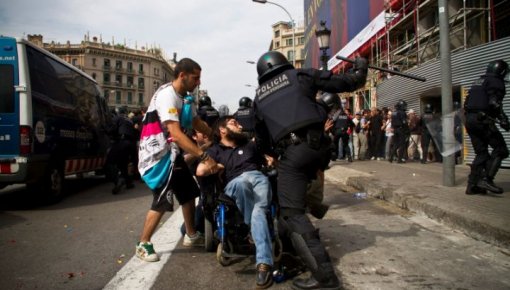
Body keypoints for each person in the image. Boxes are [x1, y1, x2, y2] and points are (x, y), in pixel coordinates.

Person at [253, 50, 367, 290]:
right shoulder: (299, 75)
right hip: (321, 147)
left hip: (293, 154)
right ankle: (298, 249)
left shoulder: (259, 98)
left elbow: (262, 141)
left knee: (291, 213)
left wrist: (277, 156)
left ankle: (325, 277)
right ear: (283, 64)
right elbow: (347, 82)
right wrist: (360, 67)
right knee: (295, 203)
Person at [136, 58, 219, 262]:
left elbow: (195, 122)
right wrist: (205, 156)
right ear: (182, 76)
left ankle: (191, 235)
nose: (198, 82)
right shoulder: (167, 96)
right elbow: (176, 134)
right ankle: (143, 243)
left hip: (171, 153)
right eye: (195, 77)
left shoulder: (184, 97)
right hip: (158, 155)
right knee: (162, 199)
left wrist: (214, 134)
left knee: (189, 192)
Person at [196, 115, 274, 289]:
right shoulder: (215, 151)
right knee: (243, 184)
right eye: (234, 123)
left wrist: (269, 160)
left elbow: (269, 158)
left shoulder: (250, 145)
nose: (239, 125)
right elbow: (200, 171)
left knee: (259, 210)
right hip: (235, 183)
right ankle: (259, 244)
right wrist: (217, 166)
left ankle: (264, 265)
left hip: (259, 179)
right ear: (222, 130)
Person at [464, 59, 509, 195]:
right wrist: (503, 119)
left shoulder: (478, 81)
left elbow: (467, 103)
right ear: (501, 71)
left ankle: (472, 185)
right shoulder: (496, 82)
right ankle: (486, 179)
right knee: (501, 149)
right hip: (483, 121)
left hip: (470, 120)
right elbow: (494, 102)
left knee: (481, 153)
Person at [107, 106, 138, 194]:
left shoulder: (117, 118)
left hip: (122, 142)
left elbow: (112, 129)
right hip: (131, 144)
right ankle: (128, 182)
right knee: (123, 163)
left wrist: (105, 130)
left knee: (110, 161)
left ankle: (118, 181)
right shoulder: (129, 120)